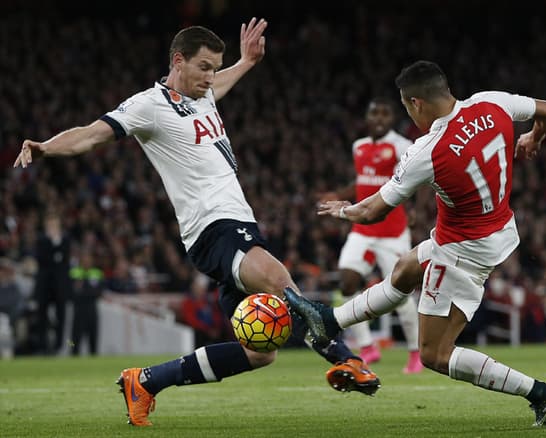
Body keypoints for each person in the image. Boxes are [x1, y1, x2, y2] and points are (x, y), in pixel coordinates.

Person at [13, 19, 379, 427]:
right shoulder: (148, 105)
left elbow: (218, 85)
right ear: (178, 61)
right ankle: (348, 360)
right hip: (212, 227)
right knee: (280, 282)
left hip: (237, 224)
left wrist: (245, 63)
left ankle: (147, 381)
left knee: (261, 351)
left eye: (214, 68)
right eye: (204, 67)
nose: (210, 77)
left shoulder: (203, 94)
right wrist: (46, 147)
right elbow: (93, 134)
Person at [285, 60, 546, 427]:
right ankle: (330, 321)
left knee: (434, 354)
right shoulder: (492, 102)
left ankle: (541, 393)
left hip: (461, 250)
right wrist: (535, 135)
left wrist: (342, 211)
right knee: (404, 269)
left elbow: (372, 212)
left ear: (415, 103)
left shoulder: (428, 150)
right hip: (495, 229)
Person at [317, 97, 422, 373]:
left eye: (385, 114)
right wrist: (338, 196)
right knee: (346, 281)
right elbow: (364, 182)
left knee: (401, 294)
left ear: (392, 119)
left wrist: (415, 209)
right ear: (367, 117)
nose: (379, 119)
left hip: (392, 231)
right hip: (362, 228)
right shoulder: (359, 146)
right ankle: (367, 346)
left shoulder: (402, 146)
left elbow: (416, 179)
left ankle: (415, 352)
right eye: (374, 113)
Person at [33, 212, 71, 354]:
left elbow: (65, 260)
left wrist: (56, 248)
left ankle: (58, 346)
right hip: (44, 285)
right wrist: (55, 248)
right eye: (50, 225)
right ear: (46, 226)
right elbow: (42, 259)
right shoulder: (41, 240)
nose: (52, 228)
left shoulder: (65, 239)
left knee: (61, 317)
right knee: (41, 316)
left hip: (60, 286)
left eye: (54, 225)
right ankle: (42, 346)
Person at [69, 249, 104, 355]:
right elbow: (72, 292)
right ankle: (73, 356)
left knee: (93, 338)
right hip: (79, 309)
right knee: (74, 339)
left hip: (92, 309)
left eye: (89, 258)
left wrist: (83, 290)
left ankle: (93, 359)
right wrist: (87, 291)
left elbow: (99, 292)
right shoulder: (74, 272)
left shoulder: (97, 273)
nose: (86, 261)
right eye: (84, 258)